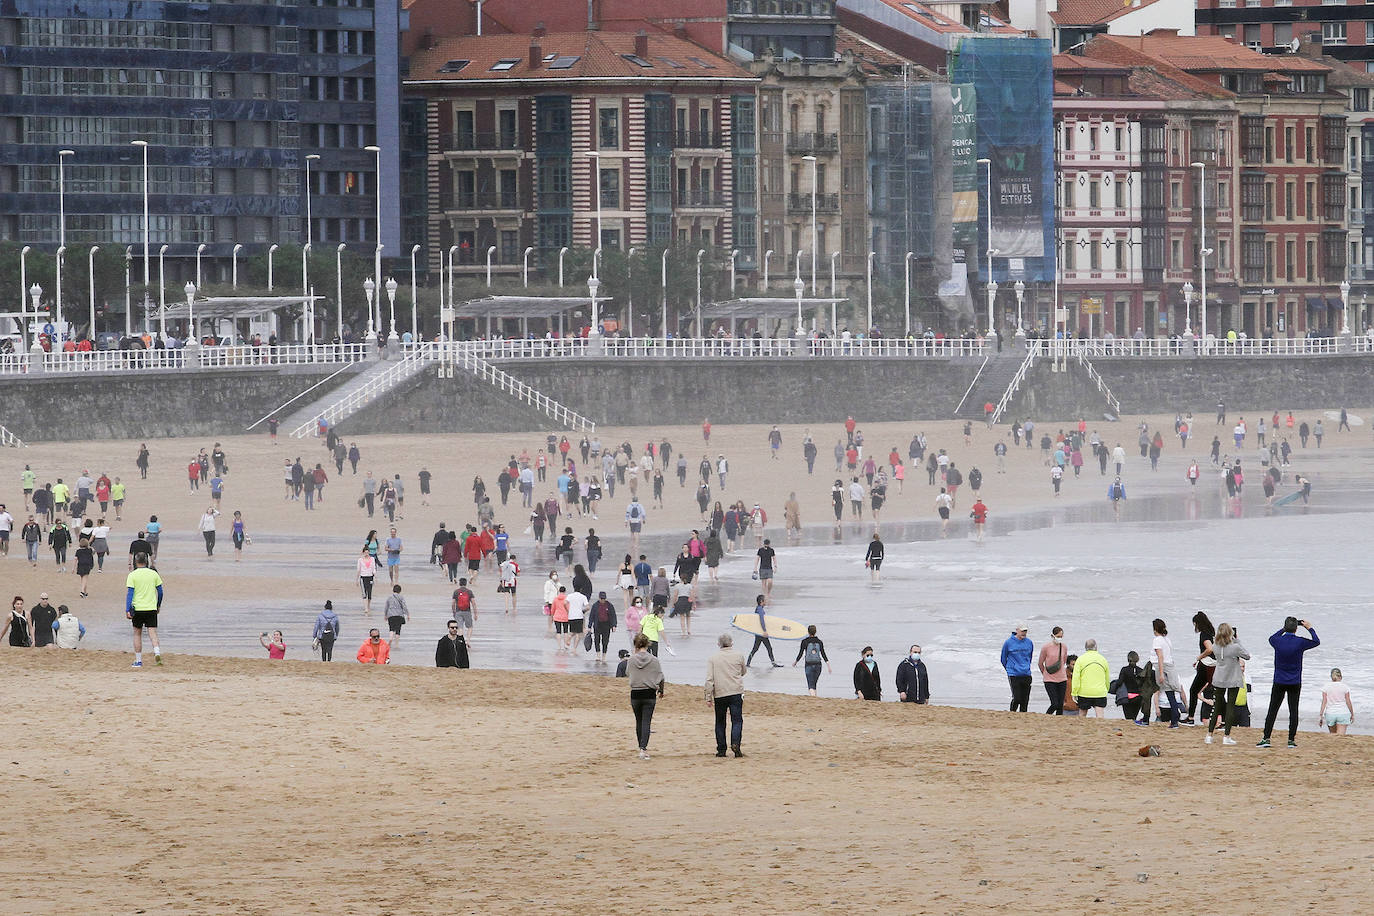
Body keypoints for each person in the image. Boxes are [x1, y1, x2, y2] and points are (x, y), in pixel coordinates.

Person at [1259, 616, 1320, 748]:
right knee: (1293, 711)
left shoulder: (1277, 641)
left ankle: (1266, 738)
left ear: (1285, 627)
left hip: (1279, 680)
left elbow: (1271, 637)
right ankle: (1291, 740)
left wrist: (1284, 629)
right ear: (1296, 629)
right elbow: (1316, 641)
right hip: (1295, 681)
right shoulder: (1300, 642)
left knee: (1273, 710)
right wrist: (1309, 628)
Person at [1203, 623, 1249, 745]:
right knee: (1230, 707)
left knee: (1216, 707)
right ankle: (1226, 736)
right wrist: (1237, 640)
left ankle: (1209, 735)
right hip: (1233, 678)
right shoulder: (1235, 647)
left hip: (1219, 678)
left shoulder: (1215, 646)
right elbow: (1247, 655)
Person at [705, 632, 747, 757]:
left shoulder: (713, 658)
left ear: (718, 644)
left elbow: (709, 679)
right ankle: (735, 743)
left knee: (720, 721)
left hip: (720, 693)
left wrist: (708, 696)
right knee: (737, 720)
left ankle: (721, 749)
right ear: (731, 643)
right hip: (736, 691)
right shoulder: (739, 656)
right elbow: (743, 671)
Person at [627, 633, 666, 760]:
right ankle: (643, 748)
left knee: (639, 721)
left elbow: (628, 673)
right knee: (646, 722)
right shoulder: (654, 660)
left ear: (636, 645)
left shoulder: (631, 660)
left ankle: (641, 747)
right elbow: (661, 676)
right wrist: (661, 690)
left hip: (635, 692)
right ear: (647, 644)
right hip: (649, 693)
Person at [125, 552, 164, 668]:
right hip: (151, 608)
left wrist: (127, 609)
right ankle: (157, 653)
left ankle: (138, 660)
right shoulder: (153, 574)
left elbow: (130, 594)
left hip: (137, 608)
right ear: (146, 561)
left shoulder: (132, 575)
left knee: (137, 634)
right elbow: (160, 592)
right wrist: (158, 605)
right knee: (152, 633)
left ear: (136, 561)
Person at [1185, 612, 1217, 725]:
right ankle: (1222, 719)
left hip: (1205, 666)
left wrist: (1199, 657)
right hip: (1213, 665)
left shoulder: (1204, 634)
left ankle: (1190, 718)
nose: (1195, 627)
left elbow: (1209, 649)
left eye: (1195, 624)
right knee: (1217, 691)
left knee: (1193, 690)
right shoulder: (1211, 633)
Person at [1152, 618, 1184, 728]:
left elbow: (1160, 657)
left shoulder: (1157, 640)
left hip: (1163, 667)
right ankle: (1175, 719)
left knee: (1167, 693)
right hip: (1170, 666)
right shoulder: (1167, 640)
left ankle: (1174, 720)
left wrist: (1161, 673)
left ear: (1155, 629)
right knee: (1171, 694)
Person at [1072, 639, 1111, 719]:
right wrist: (1106, 689)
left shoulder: (1080, 659)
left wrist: (1074, 692)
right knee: (1100, 715)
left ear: (1085, 647)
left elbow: (1076, 678)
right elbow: (1107, 678)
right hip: (1099, 692)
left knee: (1082, 714)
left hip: (1084, 692)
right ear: (1096, 647)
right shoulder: (1103, 659)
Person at [1001, 625, 1033, 712]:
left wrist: (1026, 667)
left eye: (1025, 631)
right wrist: (1010, 669)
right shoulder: (1008, 642)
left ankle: (1023, 716)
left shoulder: (1029, 642)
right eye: (1022, 631)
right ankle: (1012, 713)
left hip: (1026, 673)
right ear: (1017, 631)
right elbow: (1003, 658)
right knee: (1017, 698)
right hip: (1014, 674)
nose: (1024, 633)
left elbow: (1030, 657)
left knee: (1025, 700)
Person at [793, 625, 832, 696]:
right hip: (818, 665)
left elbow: (800, 653)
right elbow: (823, 654)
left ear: (808, 632)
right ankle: (815, 697)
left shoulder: (804, 641)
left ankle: (813, 698)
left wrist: (795, 662)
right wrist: (828, 666)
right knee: (814, 684)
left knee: (811, 685)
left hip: (809, 665)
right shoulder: (819, 642)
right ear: (815, 632)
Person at [1038, 626, 1068, 715]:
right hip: (1049, 679)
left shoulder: (1064, 647)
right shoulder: (1046, 647)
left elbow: (1064, 661)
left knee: (1060, 704)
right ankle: (1046, 716)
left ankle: (1058, 720)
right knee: (1054, 704)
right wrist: (1045, 674)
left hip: (1062, 678)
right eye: (1058, 636)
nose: (1059, 638)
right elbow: (1040, 663)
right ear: (1053, 636)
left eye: (1061, 637)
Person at [744, 594, 781, 667]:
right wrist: (764, 631)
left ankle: (748, 663)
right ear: (761, 601)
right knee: (768, 648)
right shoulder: (760, 609)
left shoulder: (758, 608)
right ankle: (773, 663)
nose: (766, 602)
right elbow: (761, 620)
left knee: (755, 649)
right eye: (765, 600)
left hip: (758, 633)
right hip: (761, 633)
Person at [1317, 668, 1354, 735]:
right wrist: (1352, 714)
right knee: (1340, 737)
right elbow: (1348, 701)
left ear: (1331, 677)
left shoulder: (1326, 687)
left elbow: (1324, 702)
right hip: (1343, 713)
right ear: (1341, 676)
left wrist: (1321, 715)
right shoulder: (1345, 687)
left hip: (1330, 713)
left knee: (1333, 736)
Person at [588, 591, 618, 664]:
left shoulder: (609, 605)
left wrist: (614, 625)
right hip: (597, 625)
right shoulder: (595, 605)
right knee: (597, 640)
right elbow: (591, 616)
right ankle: (598, 655)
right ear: (599, 598)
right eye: (601, 598)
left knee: (605, 641)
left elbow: (613, 616)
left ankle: (604, 655)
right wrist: (589, 626)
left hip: (606, 625)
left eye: (604, 598)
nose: (602, 600)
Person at [356, 547, 377, 616]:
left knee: (369, 593)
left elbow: (373, 568)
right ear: (363, 553)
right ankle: (366, 608)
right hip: (363, 577)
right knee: (364, 593)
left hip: (370, 577)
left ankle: (368, 606)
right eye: (365, 552)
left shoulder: (372, 559)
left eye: (367, 552)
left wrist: (375, 576)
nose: (366, 554)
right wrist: (357, 579)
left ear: (369, 552)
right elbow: (358, 570)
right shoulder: (360, 560)